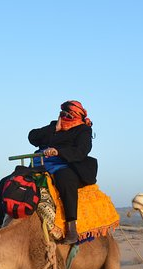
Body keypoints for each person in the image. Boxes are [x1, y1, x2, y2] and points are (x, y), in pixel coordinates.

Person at [28, 100, 97, 244]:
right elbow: (32, 137)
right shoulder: (55, 126)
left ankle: (72, 228)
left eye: (66, 114)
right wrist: (55, 129)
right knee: (11, 180)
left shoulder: (83, 130)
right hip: (40, 163)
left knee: (65, 179)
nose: (63, 116)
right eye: (62, 113)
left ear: (75, 115)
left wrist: (58, 151)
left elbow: (81, 150)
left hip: (66, 163)